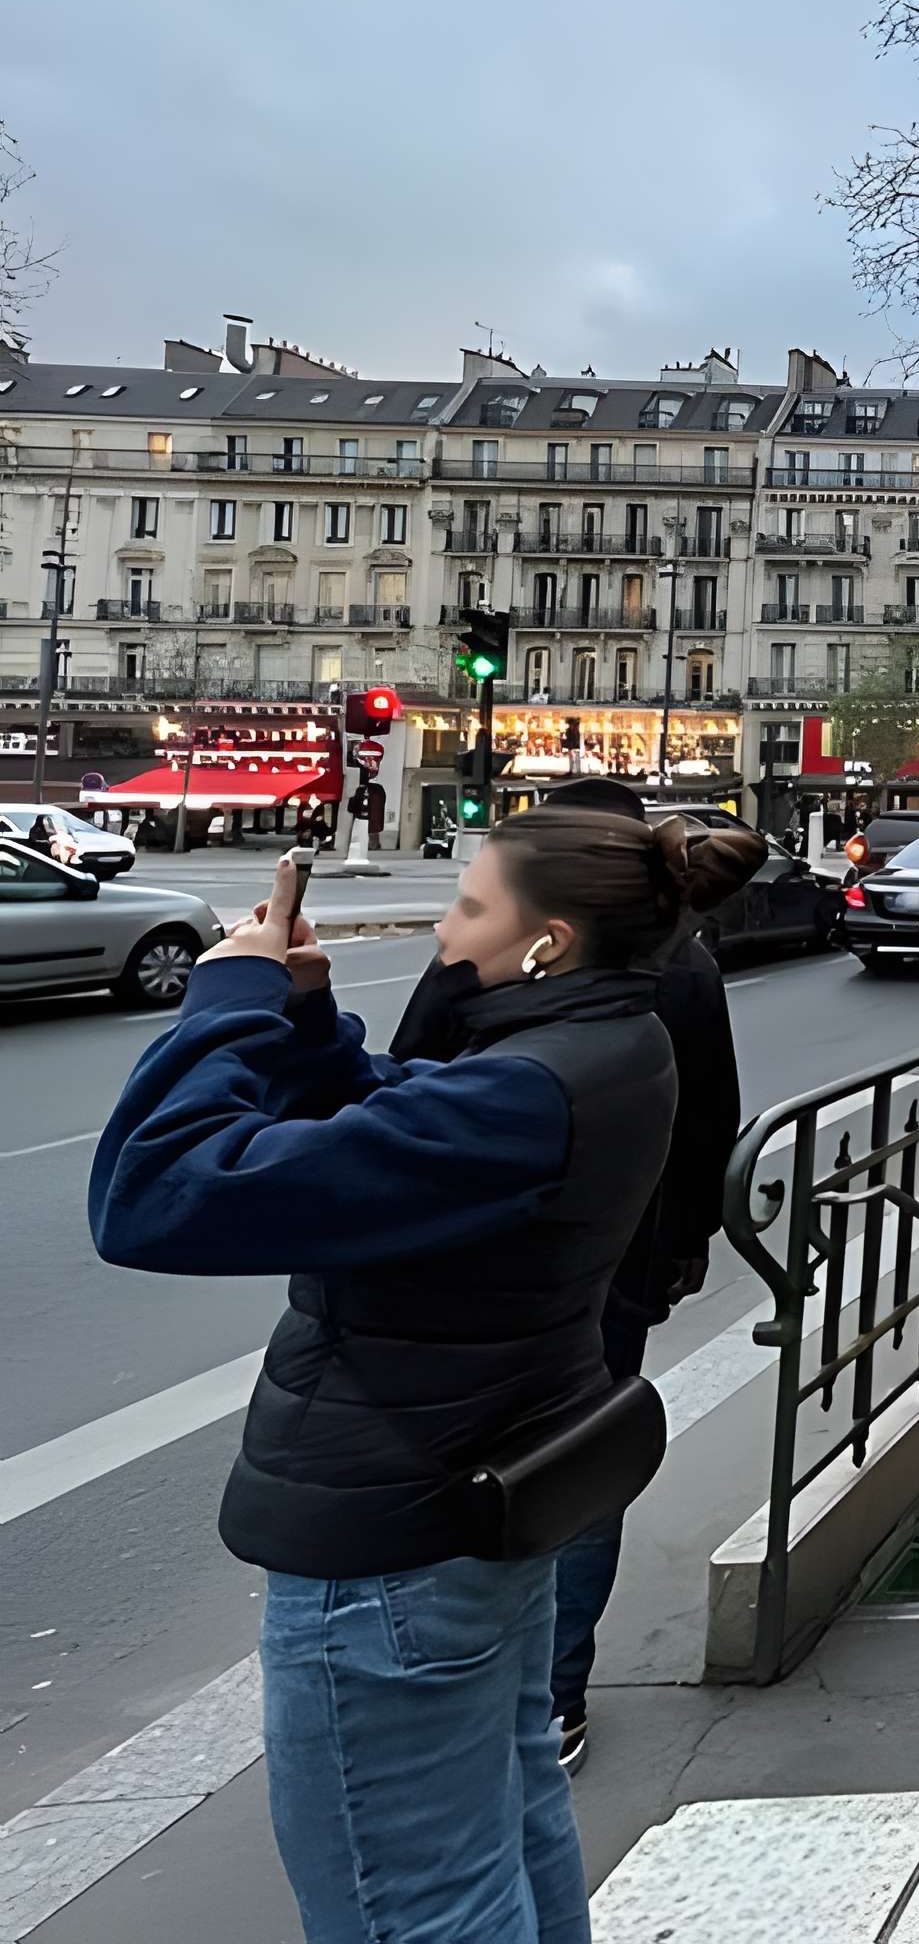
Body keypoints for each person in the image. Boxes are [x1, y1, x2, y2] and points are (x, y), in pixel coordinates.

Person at [86, 805, 763, 1944]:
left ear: (546, 939)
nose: (447, 933)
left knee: (406, 1904)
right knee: (508, 1828)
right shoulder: (610, 1038)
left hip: (391, 1542)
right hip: (480, 1499)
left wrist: (230, 1000)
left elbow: (155, 1195)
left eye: (467, 905)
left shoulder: (521, 1089)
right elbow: (400, 1121)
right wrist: (306, 1019)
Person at [389, 778, 741, 1777]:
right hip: (617, 1259)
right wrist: (686, 1240)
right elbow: (708, 1117)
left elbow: (406, 1068)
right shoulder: (686, 968)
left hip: (474, 1260)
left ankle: (464, 1687)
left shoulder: (489, 955)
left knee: (462, 1462)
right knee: (575, 1471)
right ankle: (553, 1700)